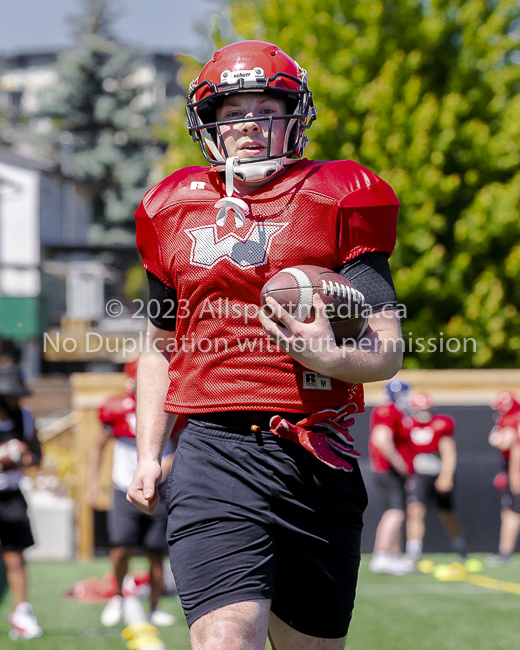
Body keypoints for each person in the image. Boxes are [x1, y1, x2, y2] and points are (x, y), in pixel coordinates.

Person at [127, 40, 403, 649]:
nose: (249, 124)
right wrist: (149, 453)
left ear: (294, 114)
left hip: (315, 451)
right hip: (213, 450)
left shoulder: (339, 194)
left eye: (265, 107)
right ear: (210, 124)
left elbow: (387, 348)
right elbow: (158, 344)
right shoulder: (172, 206)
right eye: (232, 111)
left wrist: (329, 357)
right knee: (226, 638)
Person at [88, 359, 182, 627]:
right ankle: (117, 596)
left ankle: (154, 607)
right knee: (120, 546)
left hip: (159, 486)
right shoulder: (117, 408)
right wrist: (93, 482)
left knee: (156, 550)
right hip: (123, 485)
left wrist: (158, 469)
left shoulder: (170, 407)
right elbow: (98, 445)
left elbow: (177, 447)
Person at [0, 361, 42, 640]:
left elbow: (39, 455)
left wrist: (27, 457)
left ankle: (22, 612)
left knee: (15, 554)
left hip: (12, 494)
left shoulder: (24, 418)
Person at [404, 393, 468, 562]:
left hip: (438, 473)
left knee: (447, 513)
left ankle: (460, 546)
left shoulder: (440, 425)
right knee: (415, 510)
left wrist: (446, 476)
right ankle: (413, 552)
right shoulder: (408, 425)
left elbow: (448, 452)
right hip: (419, 475)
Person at [368, 380, 415, 575]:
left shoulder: (396, 412)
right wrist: (400, 463)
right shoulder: (387, 410)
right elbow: (381, 439)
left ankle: (393, 556)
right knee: (394, 512)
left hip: (389, 469)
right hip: (387, 468)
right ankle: (381, 555)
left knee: (397, 511)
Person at [486, 391, 520, 566]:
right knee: (509, 511)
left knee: (512, 512)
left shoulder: (511, 420)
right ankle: (504, 552)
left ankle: (505, 553)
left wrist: (514, 475)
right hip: (512, 470)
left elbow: (512, 446)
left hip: (516, 470)